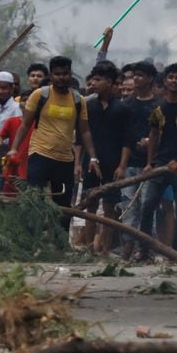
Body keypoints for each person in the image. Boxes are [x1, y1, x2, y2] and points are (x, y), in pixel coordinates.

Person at [7, 56, 102, 226]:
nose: (61, 78)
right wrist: (14, 149)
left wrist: (93, 158)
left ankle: (60, 247)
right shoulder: (40, 95)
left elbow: (85, 131)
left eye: (65, 74)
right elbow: (25, 125)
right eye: (57, 74)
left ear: (70, 74)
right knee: (34, 201)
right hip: (39, 155)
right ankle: (31, 242)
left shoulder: (78, 100)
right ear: (51, 76)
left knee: (63, 206)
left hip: (65, 159)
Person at [77, 61, 127, 254]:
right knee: (90, 205)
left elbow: (127, 141)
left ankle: (105, 250)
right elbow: (81, 136)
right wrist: (79, 163)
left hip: (113, 163)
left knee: (109, 208)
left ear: (109, 81)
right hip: (90, 162)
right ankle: (90, 249)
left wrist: (122, 166)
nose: (94, 83)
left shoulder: (122, 109)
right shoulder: (88, 106)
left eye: (98, 80)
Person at [138, 63, 177, 259]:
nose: (174, 81)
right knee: (148, 205)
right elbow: (154, 135)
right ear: (164, 81)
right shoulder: (158, 107)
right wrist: (150, 162)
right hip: (161, 163)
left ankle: (176, 251)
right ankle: (144, 249)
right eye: (171, 77)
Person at [118, 61, 160, 259]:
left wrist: (151, 143)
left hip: (151, 165)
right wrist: (122, 165)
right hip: (130, 163)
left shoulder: (158, 105)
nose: (136, 79)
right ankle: (127, 247)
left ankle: (146, 248)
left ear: (151, 78)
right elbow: (124, 137)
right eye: (134, 75)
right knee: (127, 206)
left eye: (140, 75)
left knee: (147, 206)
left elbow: (164, 134)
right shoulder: (126, 105)